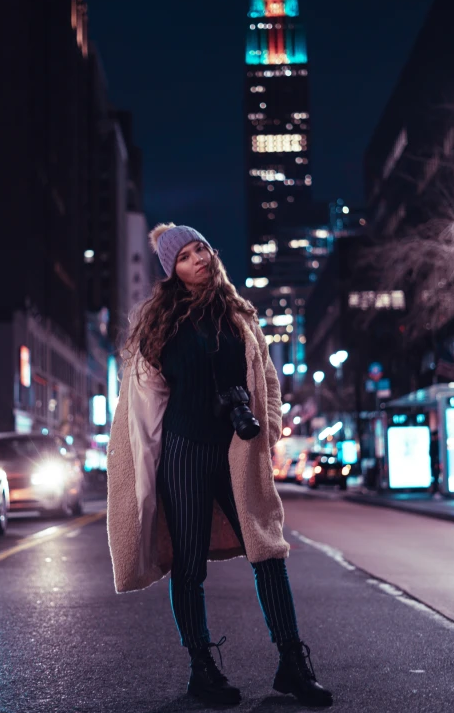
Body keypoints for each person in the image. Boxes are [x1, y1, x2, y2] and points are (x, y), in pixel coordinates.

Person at [107, 223, 333, 708]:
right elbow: (143, 406)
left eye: (201, 248)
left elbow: (268, 380)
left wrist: (268, 431)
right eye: (186, 256)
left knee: (268, 553)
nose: (198, 259)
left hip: (237, 450)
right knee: (189, 567)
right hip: (184, 452)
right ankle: (201, 668)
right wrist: (142, 475)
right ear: (173, 271)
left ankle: (293, 664)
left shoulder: (239, 315)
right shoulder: (160, 325)